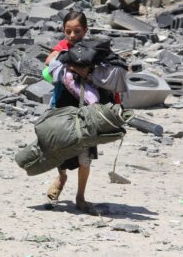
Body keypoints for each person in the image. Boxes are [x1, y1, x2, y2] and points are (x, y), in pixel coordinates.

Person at [44, 11, 126, 213]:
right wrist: (69, 64)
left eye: (77, 31)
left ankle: (80, 197)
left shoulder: (93, 49)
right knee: (59, 147)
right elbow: (49, 61)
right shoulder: (63, 47)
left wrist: (89, 73)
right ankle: (61, 177)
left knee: (85, 154)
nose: (72, 36)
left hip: (88, 110)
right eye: (68, 31)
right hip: (63, 104)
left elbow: (113, 69)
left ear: (85, 31)